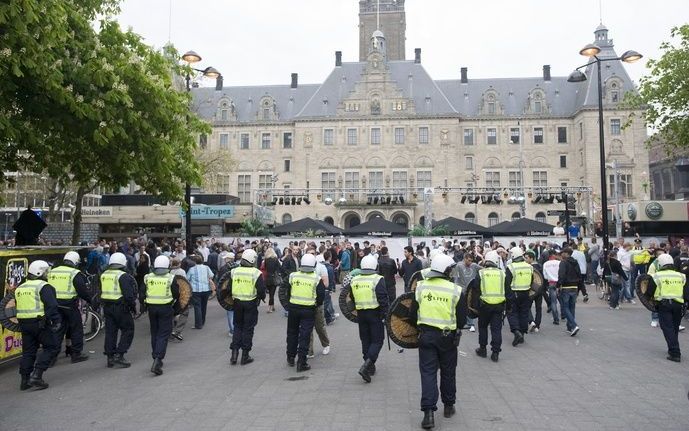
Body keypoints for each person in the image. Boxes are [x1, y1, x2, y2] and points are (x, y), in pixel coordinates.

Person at [409, 254, 466, 429]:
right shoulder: (456, 290)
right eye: (450, 269)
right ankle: (448, 406)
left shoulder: (420, 288)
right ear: (446, 270)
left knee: (428, 373)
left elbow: (412, 316)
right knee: (448, 372)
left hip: (426, 336)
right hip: (448, 339)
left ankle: (428, 414)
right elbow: (462, 321)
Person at [15, 260, 62, 390]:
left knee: (29, 351)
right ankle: (37, 375)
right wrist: (57, 321)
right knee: (51, 347)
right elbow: (52, 306)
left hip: (24, 324)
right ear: (39, 272)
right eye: (46, 271)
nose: (47, 274)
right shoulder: (44, 286)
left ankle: (24, 380)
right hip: (40, 324)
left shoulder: (20, 287)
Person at [47, 251, 91, 363]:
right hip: (69, 306)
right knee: (76, 329)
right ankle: (76, 354)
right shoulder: (74, 273)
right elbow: (82, 291)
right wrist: (90, 299)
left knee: (58, 331)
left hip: (55, 306)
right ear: (76, 262)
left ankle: (52, 357)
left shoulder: (53, 271)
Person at [350, 254, 389, 383]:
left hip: (361, 314)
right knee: (378, 340)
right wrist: (386, 315)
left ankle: (369, 365)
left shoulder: (355, 280)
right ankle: (367, 365)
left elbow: (351, 297)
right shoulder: (377, 279)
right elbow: (383, 298)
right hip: (375, 314)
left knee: (365, 339)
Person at [285, 254, 325, 372]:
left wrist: (290, 303)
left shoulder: (293, 276)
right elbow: (321, 297)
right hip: (308, 310)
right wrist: (315, 304)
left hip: (293, 308)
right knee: (305, 335)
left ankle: (291, 357)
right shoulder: (316, 278)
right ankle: (301, 362)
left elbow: (287, 291)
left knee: (292, 333)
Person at [646, 253, 689, 362]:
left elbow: (648, 293)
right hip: (679, 305)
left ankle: (675, 352)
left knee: (668, 328)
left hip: (664, 305)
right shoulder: (681, 276)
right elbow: (686, 292)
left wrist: (649, 302)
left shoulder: (656, 276)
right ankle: (672, 348)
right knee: (674, 328)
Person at [142, 255, 180, 375]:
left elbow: (142, 293)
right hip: (165, 308)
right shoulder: (171, 278)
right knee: (163, 334)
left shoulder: (147, 277)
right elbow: (176, 294)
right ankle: (158, 359)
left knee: (155, 332)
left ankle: (155, 356)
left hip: (151, 309)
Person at [226, 249, 265, 365]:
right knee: (248, 329)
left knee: (237, 327)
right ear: (253, 260)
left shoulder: (234, 271)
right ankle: (245, 355)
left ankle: (234, 354)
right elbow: (261, 290)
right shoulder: (256, 273)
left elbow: (228, 288)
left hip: (237, 303)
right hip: (250, 304)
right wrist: (261, 298)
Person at [100, 252, 138, 368]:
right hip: (121, 307)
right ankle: (120, 354)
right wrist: (133, 308)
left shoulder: (104, 274)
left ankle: (110, 357)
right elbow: (129, 296)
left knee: (111, 332)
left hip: (107, 306)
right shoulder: (123, 276)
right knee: (128, 330)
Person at [469, 250, 507, 362]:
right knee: (496, 329)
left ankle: (482, 349)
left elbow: (475, 289)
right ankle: (495, 353)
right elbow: (507, 290)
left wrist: (474, 307)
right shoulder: (502, 273)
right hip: (499, 305)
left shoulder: (481, 273)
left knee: (483, 327)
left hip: (484, 305)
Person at [505, 247, 534, 347]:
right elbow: (532, 280)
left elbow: (507, 284)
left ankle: (516, 331)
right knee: (524, 314)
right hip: (526, 293)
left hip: (514, 294)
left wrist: (507, 298)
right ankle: (522, 334)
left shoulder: (510, 267)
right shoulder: (529, 266)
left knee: (512, 313)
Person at [453, 253, 481, 332]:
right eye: (469, 260)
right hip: (461, 289)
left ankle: (471, 324)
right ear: (465, 258)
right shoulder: (458, 266)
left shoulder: (474, 265)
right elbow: (454, 277)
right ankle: (461, 322)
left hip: (471, 290)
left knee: (470, 305)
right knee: (462, 306)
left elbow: (483, 270)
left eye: (471, 261)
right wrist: (455, 287)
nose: (470, 262)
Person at [557, 248, 582, 336]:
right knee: (572, 307)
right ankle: (570, 327)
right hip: (574, 286)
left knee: (565, 307)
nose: (561, 254)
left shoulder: (563, 263)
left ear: (566, 254)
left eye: (562, 253)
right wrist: (580, 288)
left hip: (566, 287)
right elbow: (580, 275)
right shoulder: (576, 263)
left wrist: (558, 285)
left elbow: (561, 275)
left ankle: (574, 325)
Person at [187, 254, 215, 329]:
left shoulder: (192, 269)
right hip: (206, 289)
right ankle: (202, 321)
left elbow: (187, 278)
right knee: (203, 306)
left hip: (196, 290)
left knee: (197, 307)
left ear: (195, 261)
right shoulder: (206, 267)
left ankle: (198, 324)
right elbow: (212, 275)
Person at [169, 258, 188, 341]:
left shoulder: (170, 272)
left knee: (172, 312)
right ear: (179, 263)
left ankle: (170, 331)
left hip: (172, 295)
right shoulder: (182, 271)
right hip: (181, 293)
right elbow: (185, 282)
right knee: (184, 312)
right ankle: (177, 331)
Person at [542, 249, 562, 325]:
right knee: (561, 300)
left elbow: (545, 276)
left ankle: (556, 319)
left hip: (551, 283)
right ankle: (563, 315)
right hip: (559, 283)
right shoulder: (559, 263)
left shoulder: (545, 264)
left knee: (553, 302)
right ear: (554, 255)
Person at [263, 247, 280, 313]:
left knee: (270, 293)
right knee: (272, 294)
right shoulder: (275, 259)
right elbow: (279, 267)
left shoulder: (266, 260)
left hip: (267, 277)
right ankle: (269, 308)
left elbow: (264, 267)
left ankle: (272, 306)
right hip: (274, 278)